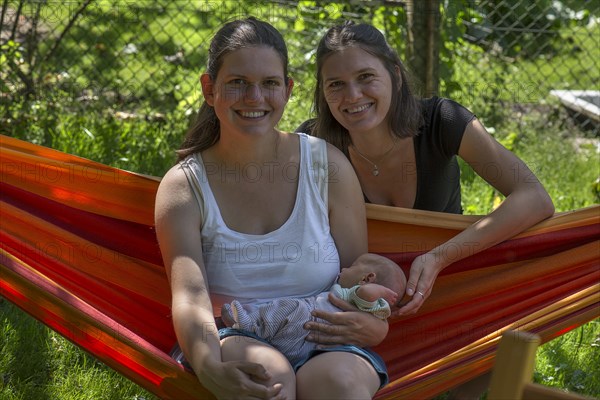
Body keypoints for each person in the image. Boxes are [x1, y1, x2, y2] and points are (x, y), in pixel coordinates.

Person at [296, 21, 555, 399]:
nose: (352, 95)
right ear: (323, 92)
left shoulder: (441, 122)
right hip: (358, 310)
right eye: (335, 84)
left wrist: (438, 257)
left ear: (395, 76)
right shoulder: (314, 144)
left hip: (450, 295)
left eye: (366, 76)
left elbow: (534, 197)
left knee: (488, 351)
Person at [154, 17, 390, 400]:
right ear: (209, 90)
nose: (254, 98)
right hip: (236, 337)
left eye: (269, 84)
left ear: (288, 90)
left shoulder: (325, 167)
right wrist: (209, 366)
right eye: (237, 83)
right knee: (270, 382)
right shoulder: (185, 187)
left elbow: (358, 277)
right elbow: (190, 297)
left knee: (342, 386)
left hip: (326, 334)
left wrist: (375, 325)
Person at [220, 253, 406, 366]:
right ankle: (253, 323)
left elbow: (365, 294)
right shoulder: (363, 311)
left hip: (308, 322)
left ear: (367, 278)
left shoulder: (355, 295)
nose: (344, 268)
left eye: (352, 267)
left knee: (289, 307)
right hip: (306, 348)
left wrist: (378, 291)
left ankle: (248, 325)